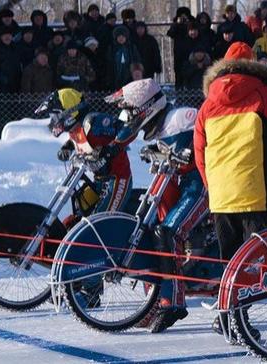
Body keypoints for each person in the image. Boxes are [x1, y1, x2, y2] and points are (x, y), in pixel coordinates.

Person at [193, 42, 267, 334]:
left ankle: (226, 317)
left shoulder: (206, 106)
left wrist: (212, 187)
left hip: (222, 196)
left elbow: (200, 154)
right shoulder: (266, 96)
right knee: (257, 260)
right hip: (258, 191)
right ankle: (241, 323)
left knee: (230, 261)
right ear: (253, 63)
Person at [106, 78, 202, 333]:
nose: (126, 116)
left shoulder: (181, 117)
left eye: (130, 110)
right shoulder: (160, 126)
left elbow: (205, 145)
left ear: (146, 107)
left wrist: (188, 152)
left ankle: (173, 303)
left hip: (201, 182)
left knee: (169, 232)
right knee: (152, 230)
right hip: (177, 181)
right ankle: (154, 303)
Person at [38, 88, 133, 216]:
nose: (53, 121)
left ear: (69, 111)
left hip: (118, 179)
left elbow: (127, 128)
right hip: (99, 182)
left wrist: (113, 148)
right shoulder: (75, 130)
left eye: (55, 116)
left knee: (102, 218)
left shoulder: (92, 122)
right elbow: (80, 141)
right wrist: (68, 147)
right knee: (80, 212)